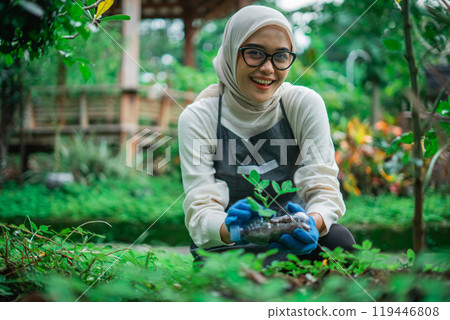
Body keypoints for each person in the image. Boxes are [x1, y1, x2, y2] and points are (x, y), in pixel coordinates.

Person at [178, 5, 355, 264]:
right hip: (229, 244)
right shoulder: (199, 117)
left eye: (280, 56)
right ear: (230, 52)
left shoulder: (303, 104)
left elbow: (324, 188)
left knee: (339, 243)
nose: (268, 68)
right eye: (254, 53)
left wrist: (310, 223)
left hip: (293, 239)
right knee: (219, 270)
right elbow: (200, 211)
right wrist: (235, 229)